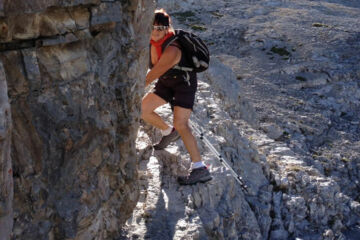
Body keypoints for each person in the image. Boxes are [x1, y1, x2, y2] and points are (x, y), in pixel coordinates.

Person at [141, 9, 212, 185]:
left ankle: (199, 168)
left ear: (167, 28)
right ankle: (168, 132)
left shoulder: (172, 49)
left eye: (161, 28)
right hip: (167, 82)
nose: (156, 31)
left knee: (181, 124)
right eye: (153, 27)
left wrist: (129, 91)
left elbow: (151, 76)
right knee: (142, 110)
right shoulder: (150, 43)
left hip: (184, 84)